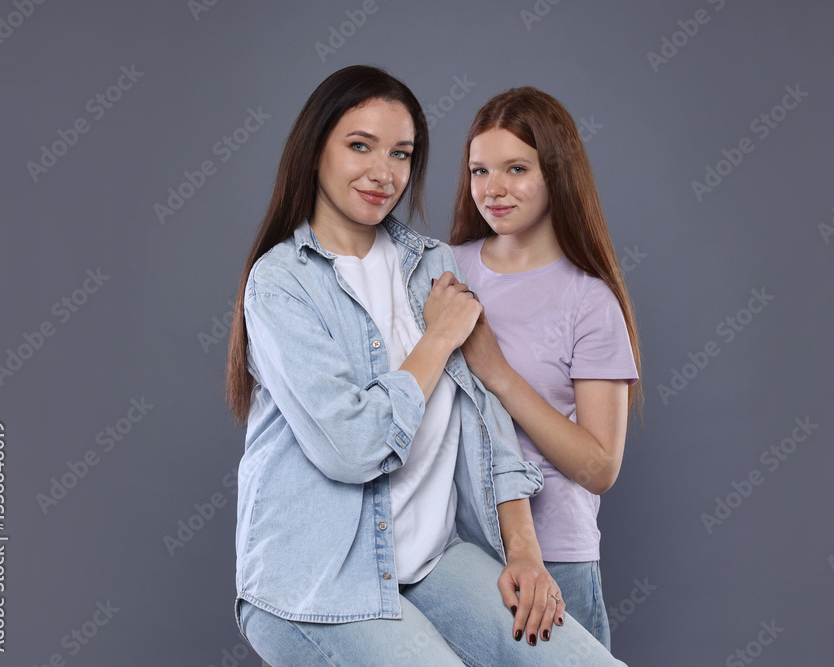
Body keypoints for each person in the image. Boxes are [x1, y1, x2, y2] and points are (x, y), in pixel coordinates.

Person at [224, 65, 626, 666]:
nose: (382, 173)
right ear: (314, 153)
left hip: (432, 563)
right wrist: (438, 339)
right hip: (318, 583)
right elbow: (354, 447)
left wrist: (522, 550)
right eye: (359, 146)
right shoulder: (281, 284)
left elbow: (489, 421)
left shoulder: (433, 264)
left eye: (401, 154)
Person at [449, 86, 642, 650]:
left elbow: (600, 465)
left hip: (555, 560)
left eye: (516, 168)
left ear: (555, 171)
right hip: (454, 549)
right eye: (479, 170)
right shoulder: (446, 268)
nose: (494, 189)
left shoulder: (589, 302)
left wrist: (498, 373)